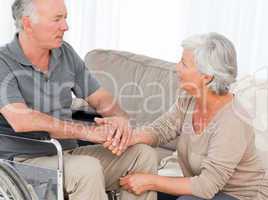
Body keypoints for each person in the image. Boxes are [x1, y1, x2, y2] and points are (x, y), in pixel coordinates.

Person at [0, 0, 157, 199]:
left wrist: (120, 120)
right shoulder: (2, 62)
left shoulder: (65, 53)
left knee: (142, 154)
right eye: (57, 19)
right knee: (86, 169)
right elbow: (22, 120)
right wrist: (90, 133)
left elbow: (100, 98)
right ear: (28, 23)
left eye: (65, 18)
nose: (66, 26)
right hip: (20, 163)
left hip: (67, 155)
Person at [101, 33, 268, 200]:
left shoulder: (233, 120)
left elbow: (205, 186)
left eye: (184, 64)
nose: (177, 67)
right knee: (140, 189)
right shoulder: (189, 99)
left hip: (241, 196)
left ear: (206, 76)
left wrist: (150, 181)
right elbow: (162, 129)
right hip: (206, 188)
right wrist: (128, 138)